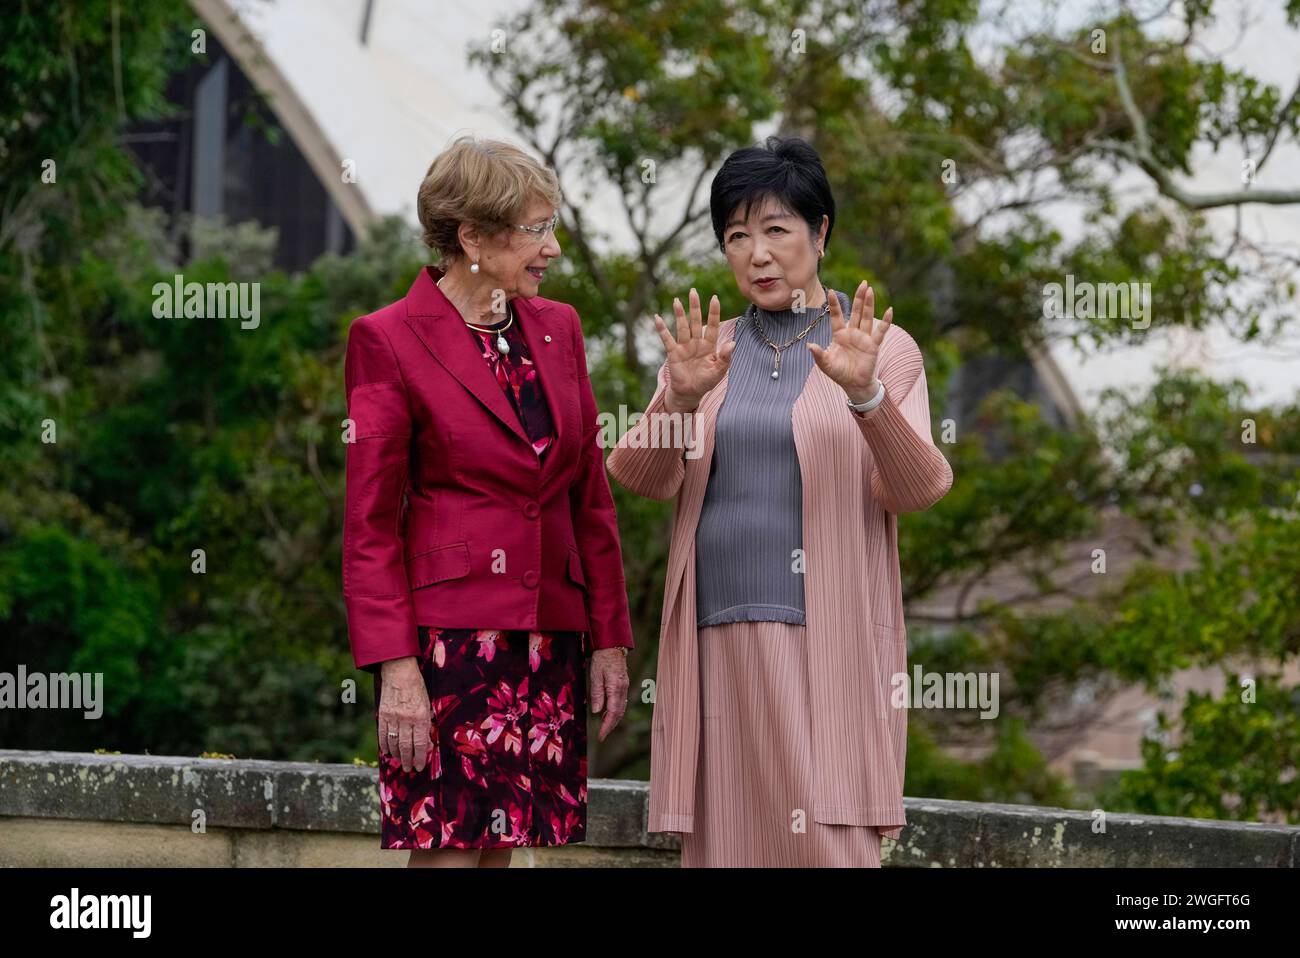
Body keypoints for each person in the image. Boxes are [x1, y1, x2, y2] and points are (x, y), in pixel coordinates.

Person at [607, 135, 953, 867]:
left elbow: (917, 487)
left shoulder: (881, 348)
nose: (756, 254)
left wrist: (867, 398)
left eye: (775, 230)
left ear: (819, 232)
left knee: (827, 847)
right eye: (736, 236)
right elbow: (640, 474)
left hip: (827, 643)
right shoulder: (709, 350)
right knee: (725, 849)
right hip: (712, 642)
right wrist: (681, 395)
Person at [342, 136, 633, 867]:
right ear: (470, 236)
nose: (554, 248)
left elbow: (588, 495)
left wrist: (609, 638)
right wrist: (395, 667)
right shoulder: (385, 340)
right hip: (449, 644)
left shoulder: (559, 328)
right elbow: (370, 526)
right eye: (536, 229)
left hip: (549, 637)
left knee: (502, 851)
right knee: (449, 850)